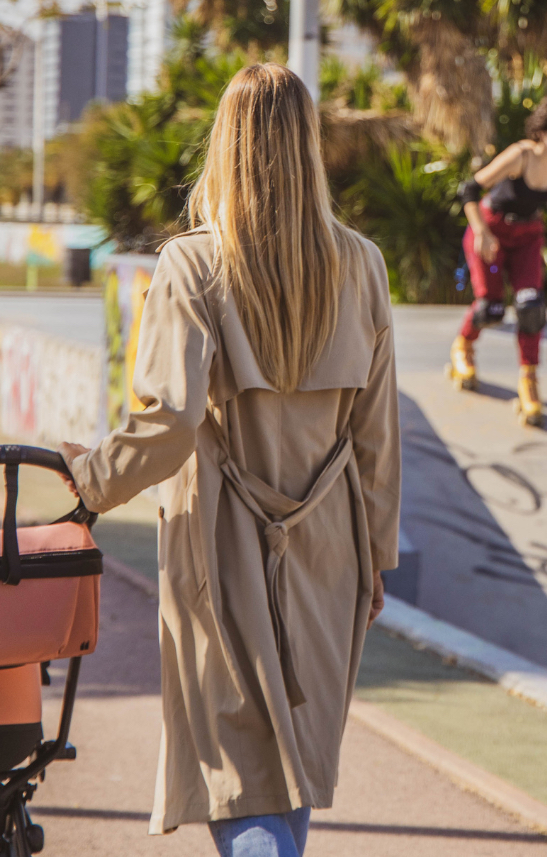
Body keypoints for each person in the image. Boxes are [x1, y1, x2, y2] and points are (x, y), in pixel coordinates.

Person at [58, 64, 400, 857]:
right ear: (307, 146)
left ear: (225, 146)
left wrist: (87, 477)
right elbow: (377, 435)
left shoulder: (191, 265)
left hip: (221, 541)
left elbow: (169, 420)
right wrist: (374, 557)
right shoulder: (362, 264)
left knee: (237, 768)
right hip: (330, 545)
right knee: (292, 760)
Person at [449, 106, 547, 426]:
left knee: (530, 307)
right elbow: (470, 189)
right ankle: (463, 347)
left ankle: (529, 381)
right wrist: (481, 231)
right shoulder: (522, 155)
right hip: (491, 231)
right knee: (490, 307)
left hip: (528, 237)